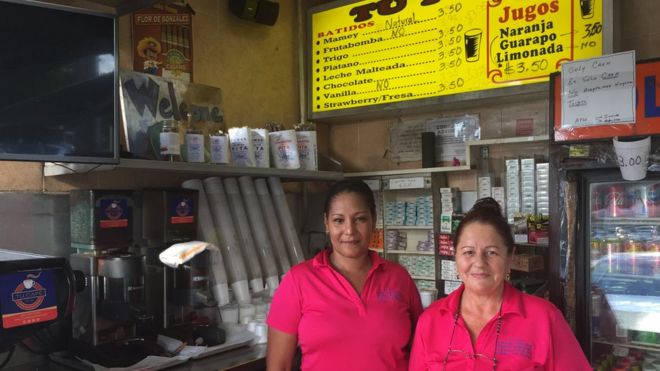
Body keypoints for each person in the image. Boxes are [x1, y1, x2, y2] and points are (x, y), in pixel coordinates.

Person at [409, 198, 591, 371]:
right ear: (455, 255)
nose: (479, 263)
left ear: (510, 257)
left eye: (491, 253)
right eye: (468, 252)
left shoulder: (544, 319)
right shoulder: (430, 321)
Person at [267, 179, 423, 371]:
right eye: (339, 220)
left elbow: (421, 354)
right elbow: (278, 366)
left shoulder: (399, 278)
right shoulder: (298, 280)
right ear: (326, 223)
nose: (350, 230)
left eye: (360, 219)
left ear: (373, 219)